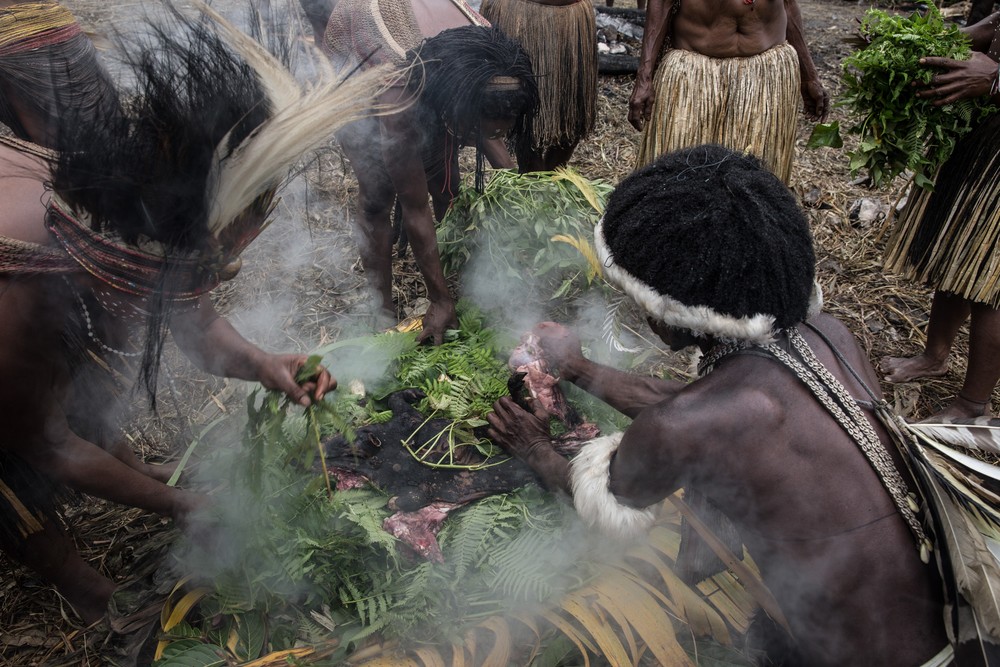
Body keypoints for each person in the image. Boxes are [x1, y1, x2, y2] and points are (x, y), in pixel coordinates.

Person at [0, 3, 391, 624]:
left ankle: (125, 466)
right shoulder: (28, 273)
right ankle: (84, 587)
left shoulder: (141, 212)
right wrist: (182, 503)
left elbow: (193, 318)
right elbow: (41, 440)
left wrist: (266, 364)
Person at [486, 145, 948, 665]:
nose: (642, 314)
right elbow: (716, 409)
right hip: (941, 619)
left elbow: (611, 501)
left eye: (642, 301)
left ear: (674, 307)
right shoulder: (827, 334)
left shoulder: (689, 422)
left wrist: (534, 449)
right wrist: (582, 370)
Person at [321, 0, 538, 344]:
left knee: (445, 175)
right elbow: (415, 206)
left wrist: (517, 188)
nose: (483, 139)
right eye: (477, 130)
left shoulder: (488, 57)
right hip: (358, 64)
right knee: (379, 195)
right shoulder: (399, 95)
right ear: (458, 106)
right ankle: (381, 311)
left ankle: (456, 278)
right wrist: (439, 300)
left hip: (432, 74)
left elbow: (486, 129)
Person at [880, 13, 1000, 420]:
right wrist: (925, 45)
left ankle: (972, 404)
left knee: (993, 281)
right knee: (963, 250)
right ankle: (935, 355)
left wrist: (996, 80)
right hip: (988, 128)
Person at [627, 0, 829, 182]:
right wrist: (645, 76)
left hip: (766, 76)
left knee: (756, 183)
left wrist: (809, 74)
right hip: (694, 77)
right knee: (682, 179)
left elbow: (788, 4)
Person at [479, 0, 597, 171]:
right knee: (519, 110)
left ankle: (552, 176)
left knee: (571, 116)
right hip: (518, 12)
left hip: (572, 18)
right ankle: (531, 177)